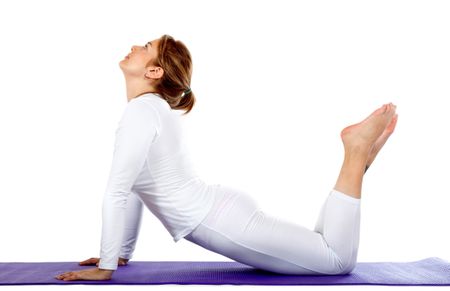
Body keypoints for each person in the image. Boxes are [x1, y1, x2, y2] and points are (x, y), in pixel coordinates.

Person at [56, 35, 398, 281]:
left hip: (225, 223)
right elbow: (132, 188)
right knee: (322, 246)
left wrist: (107, 265)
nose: (134, 46)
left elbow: (116, 191)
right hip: (223, 214)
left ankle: (356, 152)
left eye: (145, 48)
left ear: (155, 72)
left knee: (336, 261)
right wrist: (120, 252)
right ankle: (361, 159)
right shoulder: (151, 110)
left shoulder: (142, 113)